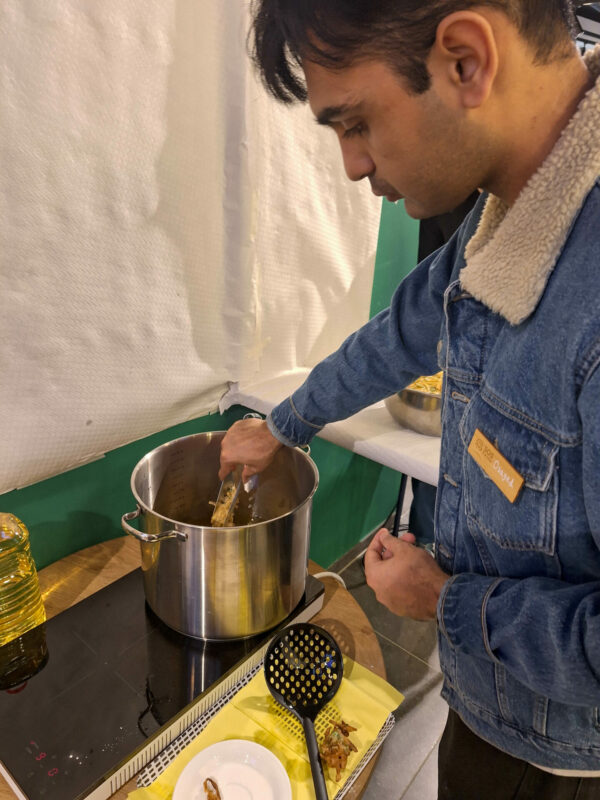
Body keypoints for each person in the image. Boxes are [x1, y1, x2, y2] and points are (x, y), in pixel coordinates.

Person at [219, 2, 600, 797]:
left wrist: (446, 601)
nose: (353, 166)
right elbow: (401, 332)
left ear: (466, 60)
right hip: (491, 704)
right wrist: (283, 426)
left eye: (355, 123)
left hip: (558, 762)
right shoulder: (515, 206)